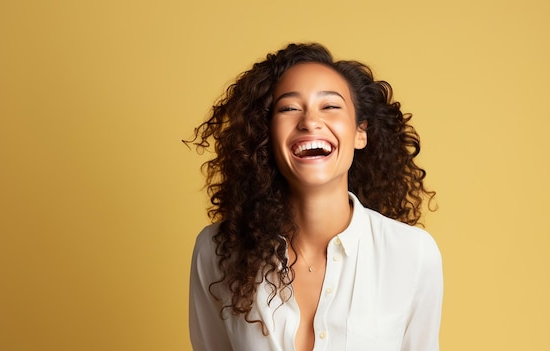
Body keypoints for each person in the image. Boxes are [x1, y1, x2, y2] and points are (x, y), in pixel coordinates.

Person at [186, 43, 443, 351]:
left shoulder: (412, 253)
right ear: (266, 133)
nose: (309, 121)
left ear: (360, 132)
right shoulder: (217, 251)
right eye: (289, 108)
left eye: (330, 106)